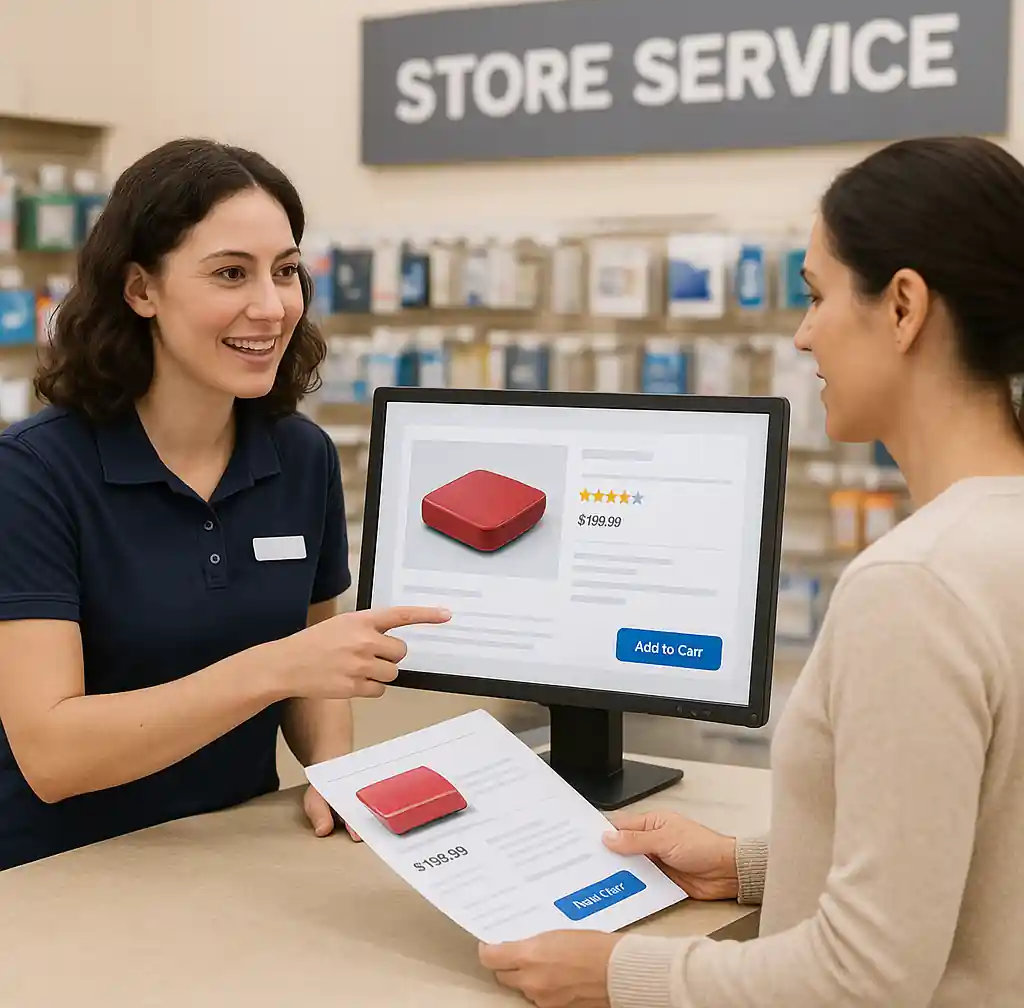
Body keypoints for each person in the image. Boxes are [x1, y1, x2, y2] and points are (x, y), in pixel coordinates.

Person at [479, 135, 1024, 1006]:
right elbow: (988, 838)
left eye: (816, 296)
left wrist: (615, 975)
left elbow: (864, 983)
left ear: (905, 306)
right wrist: (748, 862)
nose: (804, 334)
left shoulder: (917, 587)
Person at [0, 138, 449, 871]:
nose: (271, 307)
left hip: (232, 852)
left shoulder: (299, 457)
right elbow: (53, 756)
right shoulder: (34, 475)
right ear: (140, 289)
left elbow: (314, 671)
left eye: (286, 272)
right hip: (59, 875)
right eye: (231, 274)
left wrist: (333, 772)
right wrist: (274, 668)